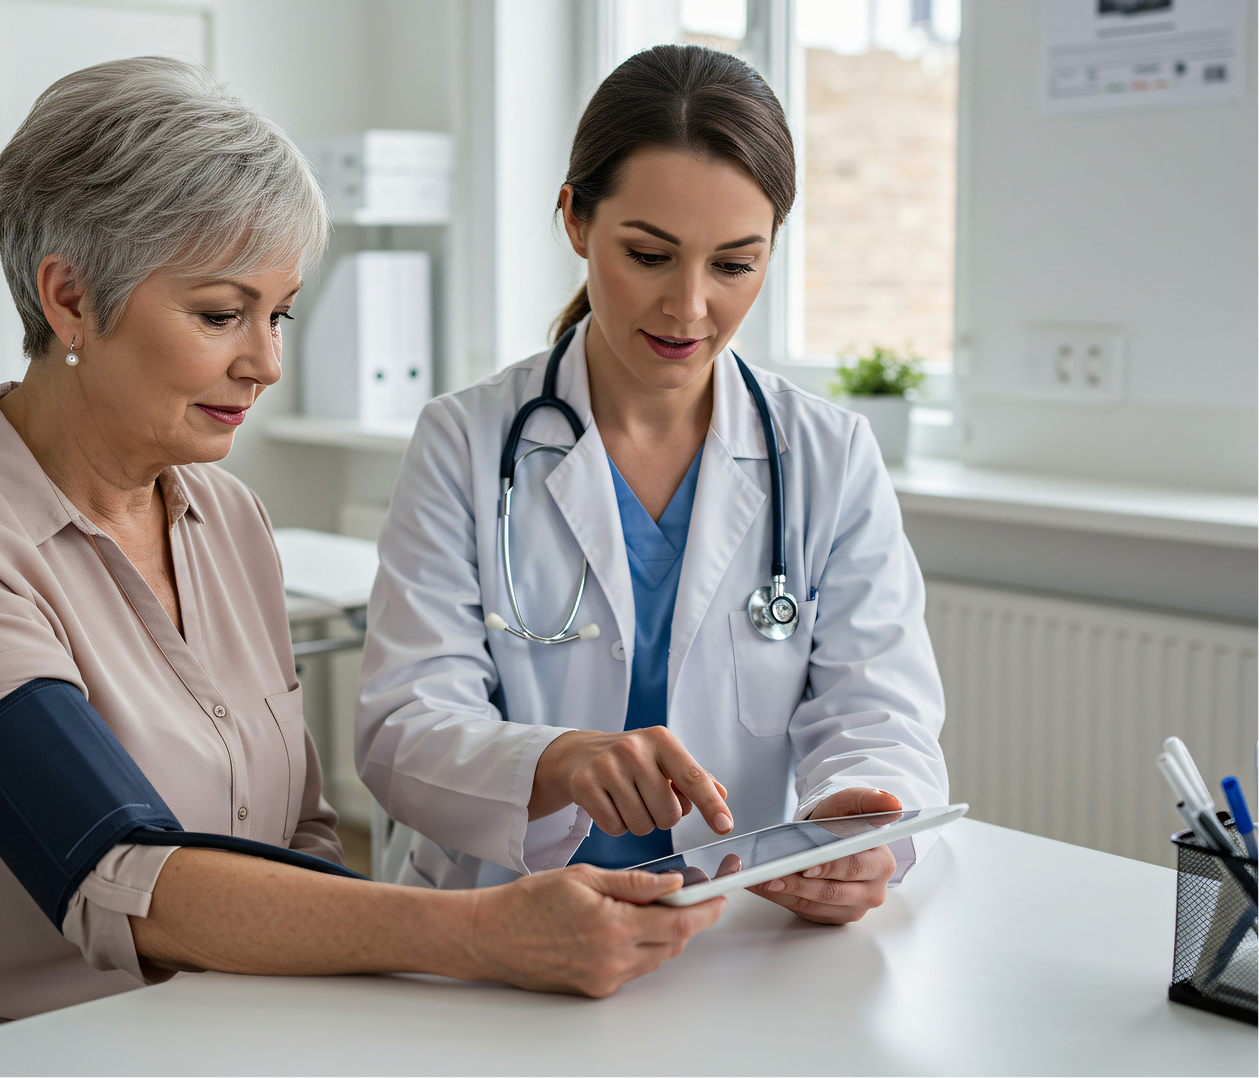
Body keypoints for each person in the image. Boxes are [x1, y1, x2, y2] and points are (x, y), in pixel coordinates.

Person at [0, 57, 723, 1076]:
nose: (267, 363)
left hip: (203, 1041)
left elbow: (300, 832)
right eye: (222, 314)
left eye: (280, 313)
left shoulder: (227, 521)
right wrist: (478, 934)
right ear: (69, 297)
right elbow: (109, 863)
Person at [356, 45, 948, 921]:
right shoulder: (467, 441)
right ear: (575, 221)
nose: (690, 307)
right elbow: (403, 726)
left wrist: (857, 827)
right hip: (511, 920)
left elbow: (881, 712)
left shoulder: (828, 455)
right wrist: (555, 762)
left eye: (734, 265)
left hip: (736, 926)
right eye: (649, 254)